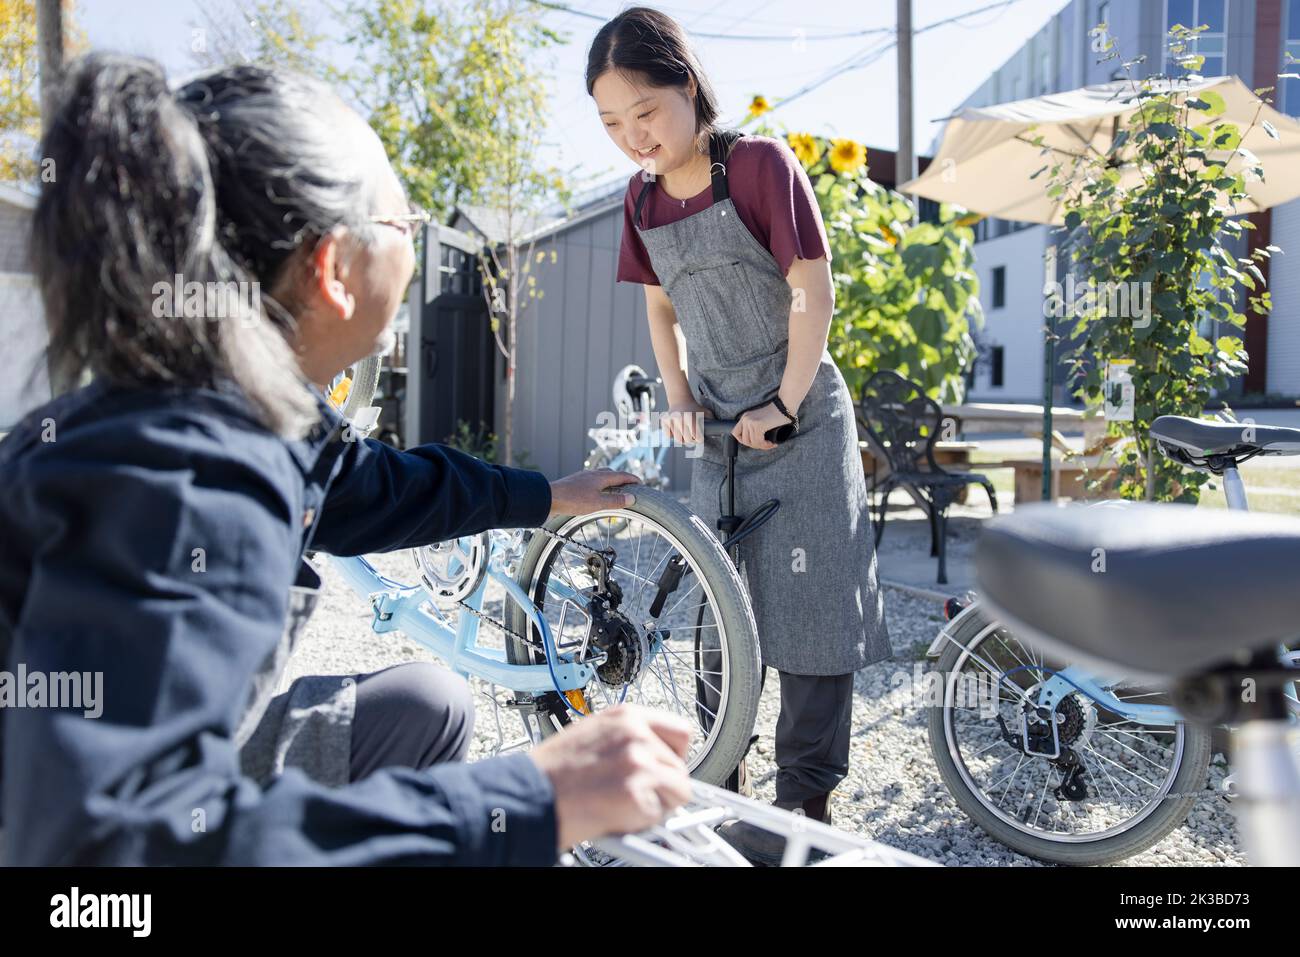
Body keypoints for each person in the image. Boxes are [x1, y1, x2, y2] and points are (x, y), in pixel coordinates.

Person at [0, 52, 694, 866]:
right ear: (333, 268)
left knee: (425, 701)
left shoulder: (223, 404)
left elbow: (375, 487)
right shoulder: (195, 475)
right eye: (404, 224)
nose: (411, 250)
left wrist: (548, 494)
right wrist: (532, 797)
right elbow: (105, 862)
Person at [587, 7, 892, 864]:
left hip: (800, 418)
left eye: (644, 112)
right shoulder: (640, 199)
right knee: (726, 615)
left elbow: (812, 290)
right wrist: (680, 393)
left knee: (815, 614)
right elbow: (658, 305)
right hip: (721, 431)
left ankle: (806, 809)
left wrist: (786, 400)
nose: (632, 137)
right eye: (612, 123)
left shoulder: (758, 165)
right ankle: (726, 788)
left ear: (686, 86)